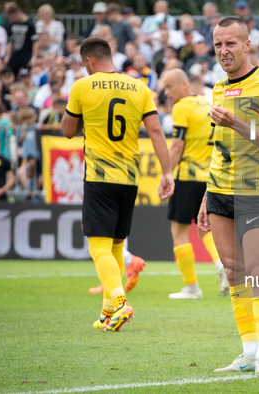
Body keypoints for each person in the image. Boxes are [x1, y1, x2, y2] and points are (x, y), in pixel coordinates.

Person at [61, 37, 174, 331]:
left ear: (88, 61)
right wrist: (167, 171)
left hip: (100, 176)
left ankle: (121, 303)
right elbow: (156, 131)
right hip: (129, 177)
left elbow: (68, 130)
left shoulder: (82, 87)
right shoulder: (139, 87)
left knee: (98, 246)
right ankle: (108, 313)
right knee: (116, 245)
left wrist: (88, 115)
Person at [196, 17, 259, 377]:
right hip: (218, 191)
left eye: (231, 43)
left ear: (247, 45)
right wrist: (205, 195)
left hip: (253, 192)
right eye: (218, 44)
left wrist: (238, 124)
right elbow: (219, 148)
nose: (223, 51)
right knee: (233, 271)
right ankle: (248, 350)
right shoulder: (218, 87)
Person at [160, 69, 229, 299]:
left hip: (187, 177)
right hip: (209, 178)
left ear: (183, 84)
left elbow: (177, 145)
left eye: (169, 87)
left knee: (178, 232)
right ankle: (221, 264)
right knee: (204, 228)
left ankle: (192, 288)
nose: (166, 93)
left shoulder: (182, 107)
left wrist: (166, 173)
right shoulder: (206, 104)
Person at [5, 4, 37, 77]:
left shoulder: (30, 25)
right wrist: (7, 55)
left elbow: (35, 43)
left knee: (25, 77)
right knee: (10, 74)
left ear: (17, 13)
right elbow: (11, 42)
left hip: (26, 57)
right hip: (15, 56)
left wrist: (33, 57)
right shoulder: (12, 25)